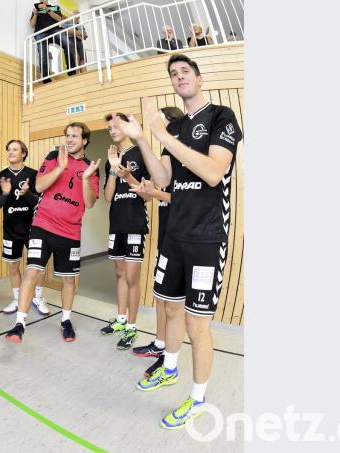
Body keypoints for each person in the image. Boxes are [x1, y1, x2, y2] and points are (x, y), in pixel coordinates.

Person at [115, 54, 242, 430]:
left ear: (199, 79)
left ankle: (198, 399)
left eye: (185, 71)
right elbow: (164, 178)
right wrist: (144, 141)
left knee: (196, 327)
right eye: (173, 74)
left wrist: (162, 134)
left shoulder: (222, 117)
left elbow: (214, 172)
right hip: (174, 238)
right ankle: (169, 368)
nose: (179, 76)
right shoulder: (180, 128)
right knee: (168, 310)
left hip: (206, 238)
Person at [5, 122, 100, 343]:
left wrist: (86, 178)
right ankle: (19, 324)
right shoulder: (53, 155)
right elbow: (38, 187)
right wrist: (60, 167)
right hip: (43, 225)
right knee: (32, 273)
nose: (70, 140)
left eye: (75, 136)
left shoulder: (90, 167)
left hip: (70, 232)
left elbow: (90, 202)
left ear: (85, 140)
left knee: (68, 280)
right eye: (67, 136)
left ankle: (66, 320)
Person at [129, 106, 185, 378]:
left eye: (159, 120)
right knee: (162, 297)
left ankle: (168, 356)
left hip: (182, 235)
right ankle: (160, 344)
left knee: (171, 302)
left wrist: (156, 194)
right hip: (166, 232)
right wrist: (149, 191)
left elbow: (186, 199)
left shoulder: (183, 152)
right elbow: (163, 188)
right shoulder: (166, 154)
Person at [98, 112, 152, 351]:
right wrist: (112, 169)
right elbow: (109, 196)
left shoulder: (140, 152)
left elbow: (149, 195)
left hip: (134, 224)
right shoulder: (113, 157)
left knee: (132, 278)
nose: (112, 130)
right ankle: (120, 320)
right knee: (120, 274)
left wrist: (127, 174)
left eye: (116, 125)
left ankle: (132, 326)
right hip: (116, 224)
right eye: (109, 128)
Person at [0, 140, 49, 316]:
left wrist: (27, 194)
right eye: (8, 149)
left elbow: (40, 202)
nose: (10, 152)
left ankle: (37, 298)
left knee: (37, 267)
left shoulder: (33, 174)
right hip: (11, 230)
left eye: (15, 149)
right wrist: (5, 193)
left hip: (33, 229)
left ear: (23, 153)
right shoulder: (1, 176)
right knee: (13, 266)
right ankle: (17, 299)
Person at [30, 1, 76, 82]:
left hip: (54, 30)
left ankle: (72, 72)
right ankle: (46, 79)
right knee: (43, 54)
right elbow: (32, 24)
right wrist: (35, 14)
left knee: (68, 44)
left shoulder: (55, 7)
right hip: (41, 32)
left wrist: (47, 9)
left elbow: (59, 19)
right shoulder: (37, 9)